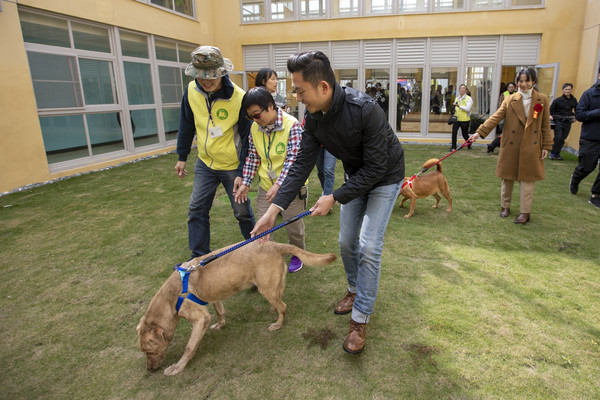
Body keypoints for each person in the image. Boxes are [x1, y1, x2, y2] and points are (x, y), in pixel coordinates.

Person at [251, 51, 405, 354]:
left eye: (299, 90)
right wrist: (273, 211)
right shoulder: (313, 119)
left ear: (323, 87)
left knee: (369, 246)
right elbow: (299, 166)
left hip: (385, 177)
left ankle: (360, 318)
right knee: (347, 241)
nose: (296, 97)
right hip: (356, 177)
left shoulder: (366, 110)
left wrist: (333, 196)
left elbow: (375, 169)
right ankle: (353, 289)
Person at [175, 46, 255, 258]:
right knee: (196, 210)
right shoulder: (191, 90)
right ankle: (199, 257)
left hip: (232, 166)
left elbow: (248, 139)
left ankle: (256, 254)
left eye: (210, 77)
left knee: (242, 212)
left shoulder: (239, 97)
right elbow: (186, 123)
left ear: (221, 72)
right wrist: (182, 156)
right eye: (201, 78)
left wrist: (242, 172)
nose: (206, 82)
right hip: (205, 163)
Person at [234, 87, 306, 273]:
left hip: (291, 189)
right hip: (266, 187)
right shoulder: (255, 127)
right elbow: (252, 156)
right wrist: (246, 182)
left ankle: (297, 253)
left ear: (271, 106)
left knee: (293, 226)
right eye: (250, 117)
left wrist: (279, 184)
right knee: (265, 226)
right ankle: (266, 260)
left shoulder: (293, 126)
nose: (255, 120)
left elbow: (294, 161)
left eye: (257, 115)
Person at [471, 67, 552, 224]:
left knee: (528, 180)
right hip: (511, 145)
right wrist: (479, 133)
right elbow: (495, 117)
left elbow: (545, 125)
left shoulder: (542, 100)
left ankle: (525, 212)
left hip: (531, 146)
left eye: (526, 81)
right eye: (520, 81)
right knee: (507, 178)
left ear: (533, 81)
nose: (523, 84)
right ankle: (505, 206)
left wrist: (546, 146)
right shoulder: (510, 99)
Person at [569, 70, 600, 209]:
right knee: (588, 166)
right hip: (591, 137)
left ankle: (595, 195)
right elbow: (579, 115)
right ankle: (575, 178)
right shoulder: (589, 94)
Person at [549, 83, 578, 160]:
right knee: (558, 137)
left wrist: (576, 117)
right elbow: (551, 110)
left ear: (571, 90)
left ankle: (557, 153)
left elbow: (577, 109)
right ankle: (552, 153)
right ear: (563, 90)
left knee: (562, 138)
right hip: (558, 121)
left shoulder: (573, 100)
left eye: (569, 89)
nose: (567, 91)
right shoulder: (558, 100)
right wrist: (550, 116)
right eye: (566, 89)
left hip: (568, 122)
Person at [488, 82, 517, 153]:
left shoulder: (517, 94)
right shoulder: (504, 94)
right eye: (510, 87)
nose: (511, 88)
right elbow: (500, 105)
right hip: (505, 113)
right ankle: (503, 133)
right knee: (501, 123)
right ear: (507, 88)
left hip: (514, 115)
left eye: (512, 87)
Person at [451, 84, 473, 151]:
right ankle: (453, 147)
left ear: (466, 90)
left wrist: (459, 106)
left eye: (463, 88)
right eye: (461, 88)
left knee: (464, 134)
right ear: (459, 90)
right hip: (457, 119)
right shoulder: (457, 98)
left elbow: (468, 109)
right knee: (454, 132)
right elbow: (455, 107)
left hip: (465, 119)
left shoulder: (469, 98)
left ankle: (469, 143)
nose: (462, 90)